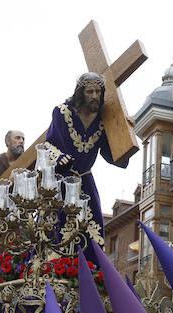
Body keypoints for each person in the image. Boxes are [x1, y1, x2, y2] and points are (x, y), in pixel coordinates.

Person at [45, 73, 129, 238]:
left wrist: (126, 132)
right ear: (80, 92)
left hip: (85, 182)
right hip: (61, 182)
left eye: (98, 92)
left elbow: (110, 154)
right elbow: (49, 144)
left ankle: (90, 264)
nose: (94, 96)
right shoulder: (62, 112)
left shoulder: (103, 120)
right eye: (90, 92)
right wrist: (59, 156)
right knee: (54, 230)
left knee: (92, 232)